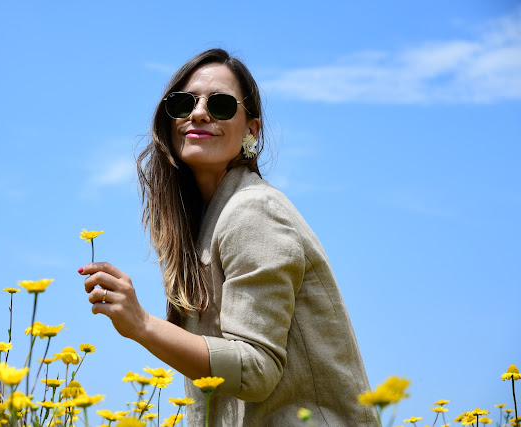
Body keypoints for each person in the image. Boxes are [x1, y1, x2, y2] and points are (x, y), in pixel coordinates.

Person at [79, 48, 378, 426]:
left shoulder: (252, 210)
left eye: (220, 104)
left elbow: (255, 368)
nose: (199, 112)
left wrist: (141, 324)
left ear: (251, 131)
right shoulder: (205, 224)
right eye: (184, 102)